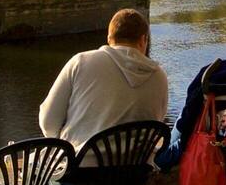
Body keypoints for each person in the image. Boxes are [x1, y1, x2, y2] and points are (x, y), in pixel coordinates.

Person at [38, 9, 170, 148]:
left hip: (82, 166)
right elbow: (156, 123)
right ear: (143, 40)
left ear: (109, 38)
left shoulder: (81, 62)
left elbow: (48, 122)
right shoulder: (159, 76)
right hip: (135, 167)